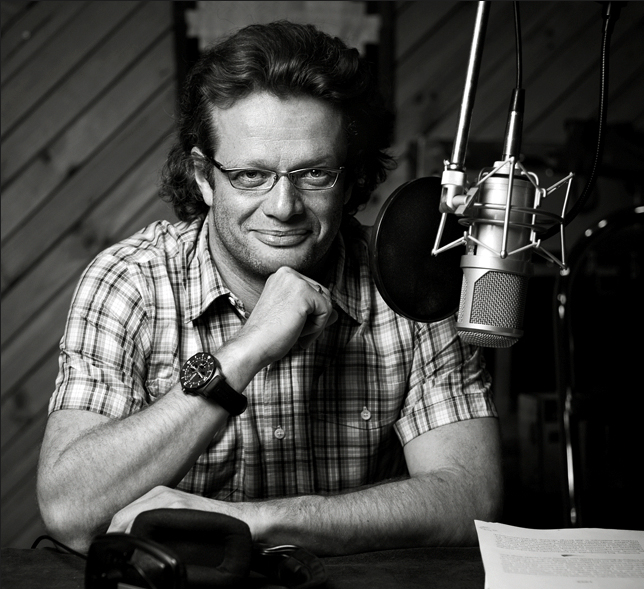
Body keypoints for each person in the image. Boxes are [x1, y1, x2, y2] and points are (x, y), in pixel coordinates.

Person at [37, 21, 502, 555]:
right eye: (250, 176)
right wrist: (244, 351)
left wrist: (252, 521)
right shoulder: (130, 282)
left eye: (314, 173)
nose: (283, 207)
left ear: (351, 177)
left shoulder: (412, 282)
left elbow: (473, 498)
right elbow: (71, 513)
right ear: (204, 176)